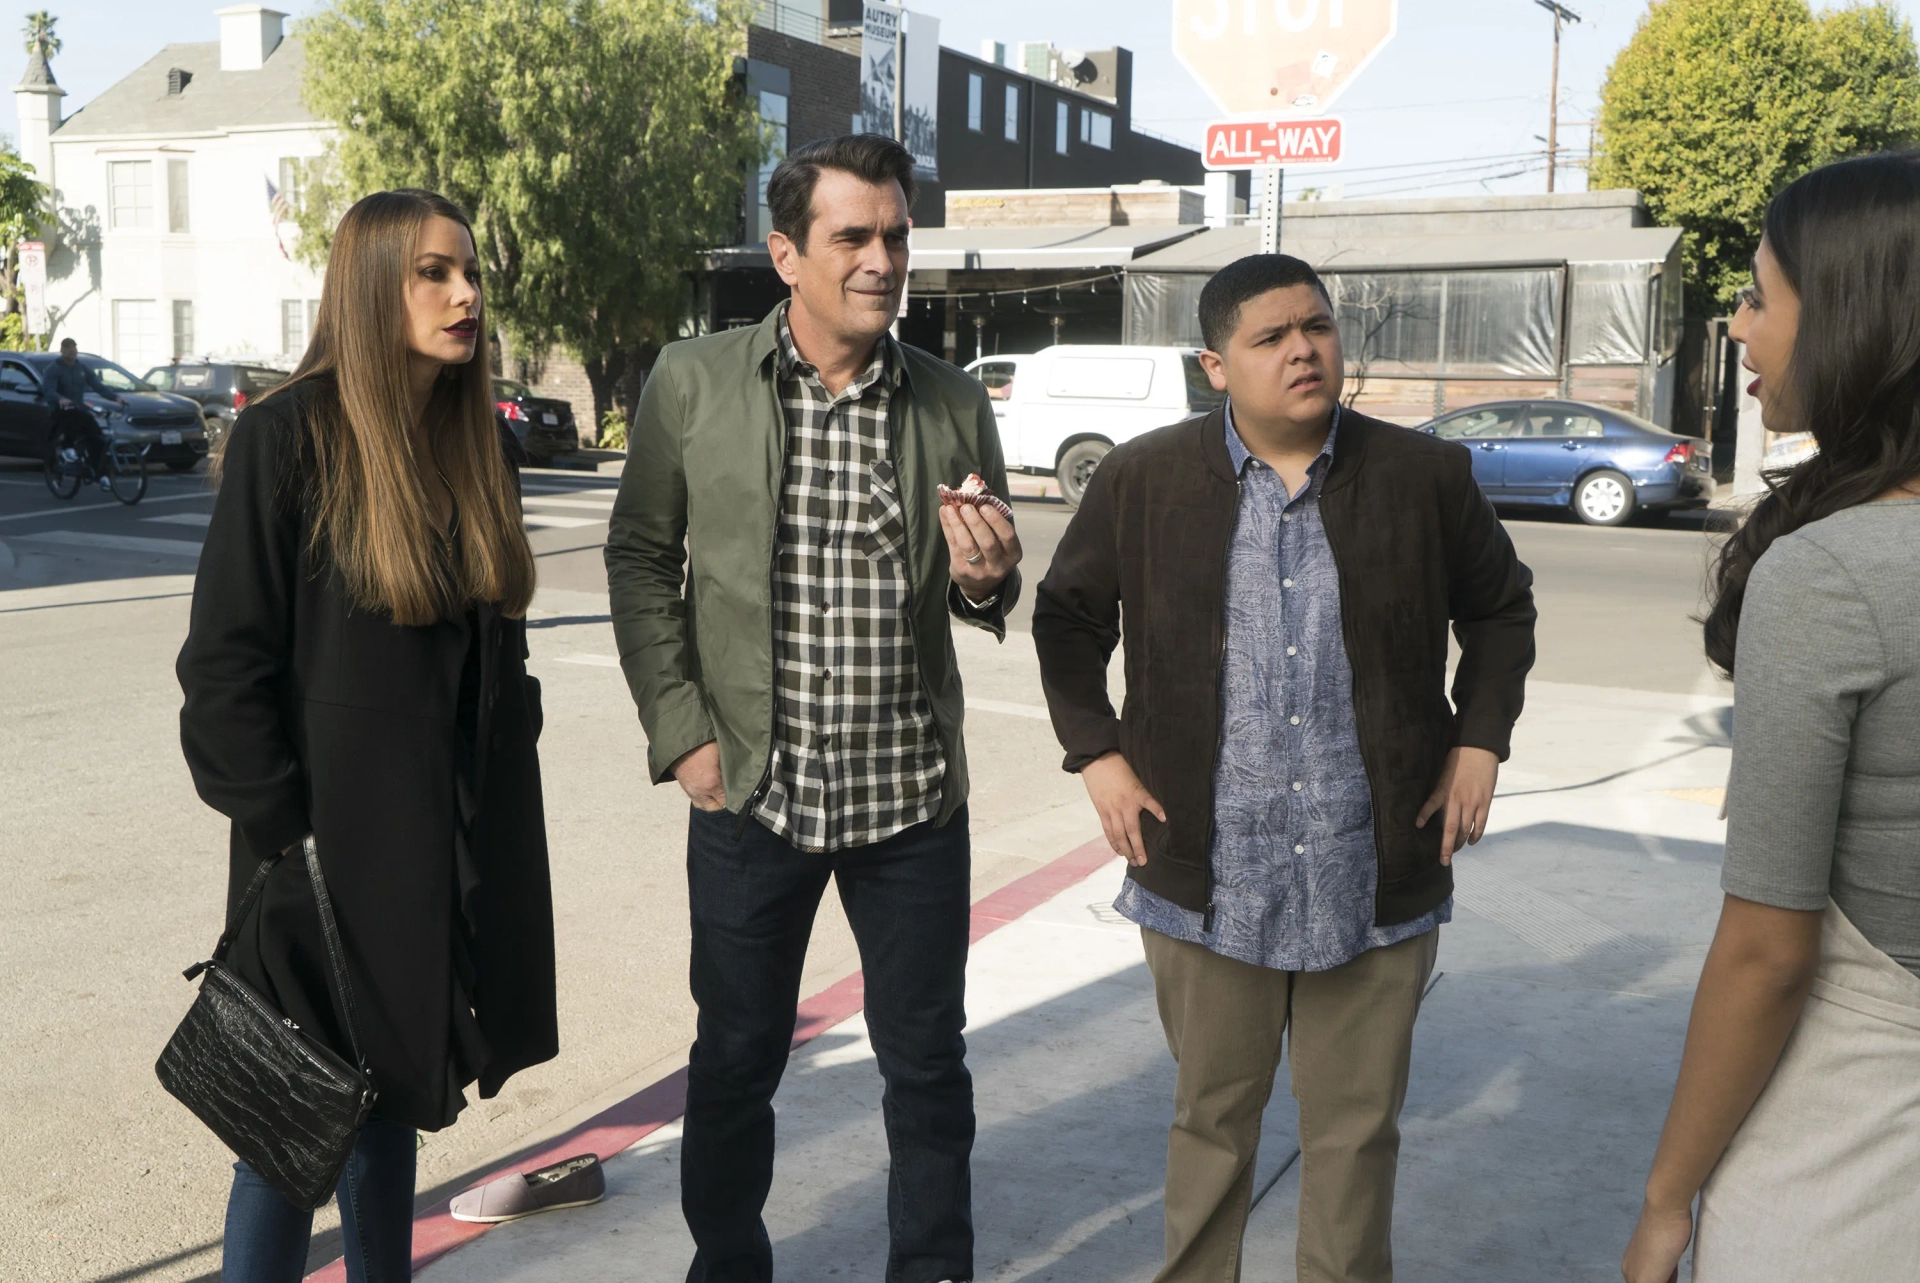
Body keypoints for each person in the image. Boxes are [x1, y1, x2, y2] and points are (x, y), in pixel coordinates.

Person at [1032, 253, 1536, 1283]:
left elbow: (1499, 608)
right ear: (1216, 364)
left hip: (1374, 864)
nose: (1303, 350)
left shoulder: (1424, 477)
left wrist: (1479, 739)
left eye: (1317, 326)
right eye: (1270, 337)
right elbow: (1067, 618)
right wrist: (1099, 752)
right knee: (1210, 1121)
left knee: (1355, 1132)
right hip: (1209, 871)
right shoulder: (1143, 478)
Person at [604, 133, 1020, 1283]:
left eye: (896, 236)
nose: (882, 259)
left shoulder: (950, 400)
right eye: (853, 236)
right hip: (753, 790)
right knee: (737, 1058)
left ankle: (932, 1267)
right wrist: (682, 729)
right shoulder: (694, 382)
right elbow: (640, 557)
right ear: (786, 254)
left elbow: (980, 585)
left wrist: (987, 580)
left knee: (926, 1063)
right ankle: (728, 1262)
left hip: (909, 795)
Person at [176, 189, 558, 1283]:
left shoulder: (480, 448)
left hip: (439, 857)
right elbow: (222, 673)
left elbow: (496, 666)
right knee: (286, 1134)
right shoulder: (286, 437)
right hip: (317, 865)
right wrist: (286, 837)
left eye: (470, 272)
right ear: (372, 284)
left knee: (395, 1111)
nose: (465, 293)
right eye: (434, 272)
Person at [1623, 154, 1920, 1283]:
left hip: (1855, 1150)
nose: (1738, 326)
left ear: (1852, 313)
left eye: (1758, 294)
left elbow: (1767, 953)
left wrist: (1666, 1201)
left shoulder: (1833, 572)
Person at [42, 337, 123, 481]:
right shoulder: (54, 369)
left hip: (78, 409)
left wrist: (115, 398)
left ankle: (98, 472)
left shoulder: (81, 367)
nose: (72, 350)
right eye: (68, 347)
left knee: (97, 435)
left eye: (74, 347)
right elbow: (49, 391)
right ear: (62, 350)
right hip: (59, 410)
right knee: (71, 419)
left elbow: (98, 386)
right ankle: (67, 448)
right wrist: (60, 399)